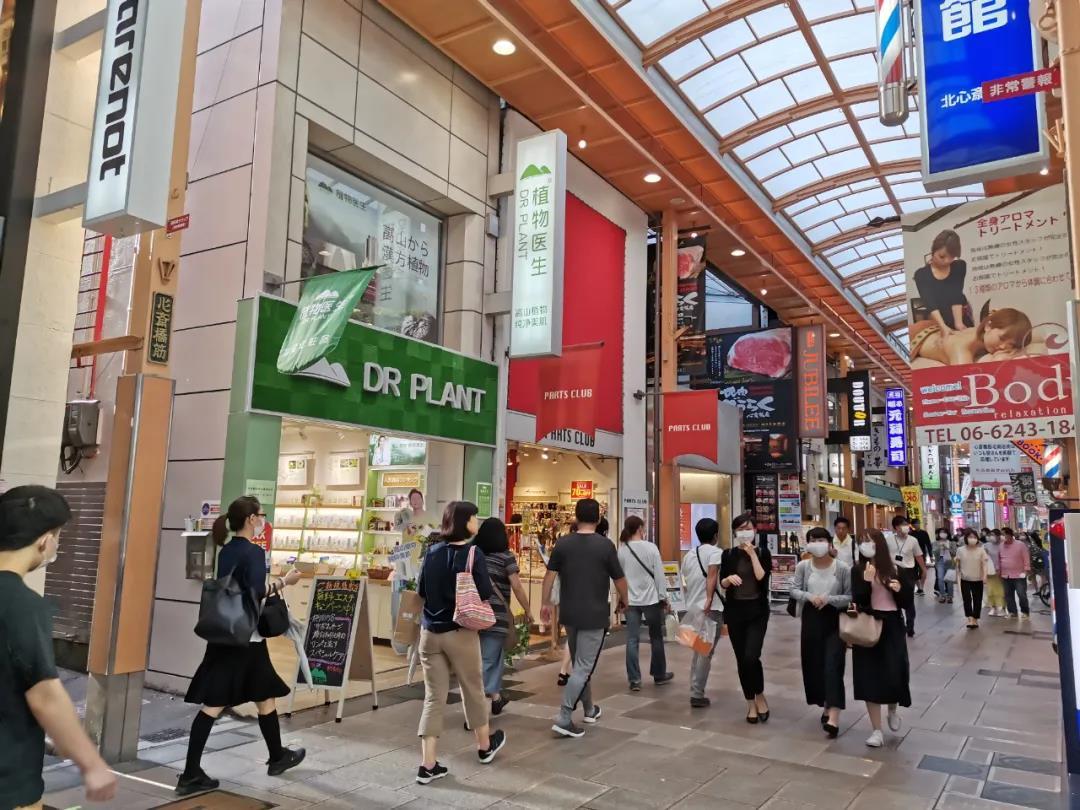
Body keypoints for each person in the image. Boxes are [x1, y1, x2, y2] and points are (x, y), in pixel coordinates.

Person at [178, 496, 305, 795]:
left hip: (226, 634)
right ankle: (191, 773)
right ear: (250, 519)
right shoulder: (253, 552)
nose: (262, 520)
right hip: (246, 640)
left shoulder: (227, 551)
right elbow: (256, 592)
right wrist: (285, 581)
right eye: (261, 515)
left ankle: (277, 756)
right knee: (216, 704)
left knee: (263, 695)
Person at [0, 486, 117, 810]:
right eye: (58, 537)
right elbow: (45, 697)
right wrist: (91, 764)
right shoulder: (21, 606)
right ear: (45, 540)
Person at [416, 502, 506, 784]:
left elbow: (421, 590)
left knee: (434, 697)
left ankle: (427, 764)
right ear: (464, 522)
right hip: (460, 632)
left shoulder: (431, 552)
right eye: (474, 517)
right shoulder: (472, 553)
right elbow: (484, 591)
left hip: (429, 634)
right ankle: (484, 746)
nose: (476, 521)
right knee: (473, 689)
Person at [541, 498, 629, 738]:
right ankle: (564, 716)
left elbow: (550, 575)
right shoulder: (605, 546)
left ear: (576, 517)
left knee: (581, 663)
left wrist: (545, 602)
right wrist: (625, 600)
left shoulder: (563, 543)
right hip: (594, 614)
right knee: (582, 667)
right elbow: (619, 579)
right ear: (598, 519)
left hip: (569, 614)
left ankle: (589, 709)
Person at [851, 529, 912, 748]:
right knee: (869, 676)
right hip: (868, 624)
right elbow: (858, 600)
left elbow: (906, 602)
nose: (865, 545)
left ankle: (892, 709)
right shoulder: (858, 570)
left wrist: (899, 589)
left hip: (892, 624)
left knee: (894, 671)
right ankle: (876, 730)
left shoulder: (895, 569)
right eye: (861, 542)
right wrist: (866, 583)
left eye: (869, 541)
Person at [790, 527, 852, 739]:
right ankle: (826, 703)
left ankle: (834, 717)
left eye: (821, 539)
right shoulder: (803, 566)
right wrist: (809, 596)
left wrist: (830, 599)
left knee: (833, 666)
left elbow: (850, 596)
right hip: (811, 620)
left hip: (835, 621)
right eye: (813, 540)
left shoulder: (842, 568)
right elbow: (794, 589)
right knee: (814, 665)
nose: (817, 543)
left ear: (829, 543)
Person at [475, 517, 533, 716]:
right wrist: (527, 609)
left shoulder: (475, 555)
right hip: (495, 616)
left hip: (474, 614)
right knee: (489, 659)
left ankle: (496, 698)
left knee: (493, 657)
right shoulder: (506, 557)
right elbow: (516, 586)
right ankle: (477, 709)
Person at [720, 514, 772, 723]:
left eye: (747, 528)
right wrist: (727, 579)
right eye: (740, 529)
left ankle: (760, 694)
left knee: (752, 656)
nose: (744, 532)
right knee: (742, 659)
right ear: (734, 533)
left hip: (757, 612)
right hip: (735, 612)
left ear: (755, 530)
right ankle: (750, 702)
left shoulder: (763, 553)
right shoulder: (728, 554)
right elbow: (722, 583)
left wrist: (752, 555)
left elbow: (761, 577)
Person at [617, 515, 673, 691]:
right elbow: (659, 575)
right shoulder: (651, 548)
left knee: (632, 639)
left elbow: (619, 577)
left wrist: (621, 597)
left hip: (630, 600)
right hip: (651, 600)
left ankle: (634, 679)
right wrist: (664, 597)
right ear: (640, 529)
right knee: (656, 637)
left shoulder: (622, 550)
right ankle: (659, 674)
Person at [680, 518, 725, 708]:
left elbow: (686, 578)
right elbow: (712, 576)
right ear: (715, 535)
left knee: (698, 650)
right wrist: (708, 598)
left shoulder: (689, 555)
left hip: (693, 608)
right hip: (711, 608)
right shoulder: (716, 553)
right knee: (705, 651)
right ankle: (697, 693)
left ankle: (694, 688)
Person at [910, 308, 1032, 367]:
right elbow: (964, 384)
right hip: (916, 335)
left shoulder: (982, 334)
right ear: (988, 326)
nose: (1003, 347)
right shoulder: (961, 349)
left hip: (933, 329)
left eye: (1011, 345)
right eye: (1002, 338)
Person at [913, 229, 967, 333]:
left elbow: (956, 295)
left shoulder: (959, 266)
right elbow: (930, 304)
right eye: (942, 256)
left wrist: (959, 324)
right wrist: (943, 326)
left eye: (952, 257)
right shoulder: (921, 275)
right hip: (937, 320)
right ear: (933, 251)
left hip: (960, 315)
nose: (947, 261)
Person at [887, 515, 925, 637]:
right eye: (902, 525)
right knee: (894, 597)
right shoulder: (889, 540)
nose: (906, 527)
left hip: (908, 572)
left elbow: (918, 555)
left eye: (906, 524)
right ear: (896, 527)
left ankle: (910, 626)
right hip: (893, 572)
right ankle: (899, 624)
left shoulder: (913, 540)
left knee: (909, 599)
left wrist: (924, 569)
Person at [956, 529, 991, 629]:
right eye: (970, 537)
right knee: (966, 599)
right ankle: (970, 618)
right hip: (965, 578)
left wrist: (984, 576)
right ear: (966, 538)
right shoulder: (960, 550)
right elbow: (957, 565)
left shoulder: (981, 550)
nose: (972, 539)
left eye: (975, 537)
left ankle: (975, 619)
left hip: (978, 578)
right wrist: (957, 576)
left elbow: (984, 564)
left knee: (977, 599)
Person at [999, 527, 1031, 620]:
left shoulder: (1020, 545)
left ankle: (1025, 611)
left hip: (1019, 575)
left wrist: (1026, 570)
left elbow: (1026, 557)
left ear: (1009, 534)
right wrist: (999, 571)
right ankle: (1012, 612)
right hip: (1005, 575)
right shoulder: (1001, 546)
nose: (1002, 536)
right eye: (1001, 534)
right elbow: (999, 559)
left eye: (1004, 534)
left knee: (1021, 594)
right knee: (1008, 595)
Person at [984, 529, 1006, 617]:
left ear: (998, 536)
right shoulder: (986, 545)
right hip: (989, 571)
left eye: (993, 535)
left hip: (1000, 571)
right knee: (990, 591)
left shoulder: (1003, 545)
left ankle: (1001, 608)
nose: (991, 537)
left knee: (1000, 591)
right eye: (990, 535)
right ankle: (992, 607)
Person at [933, 527, 956, 604]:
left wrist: (948, 549)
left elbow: (954, 553)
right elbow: (934, 553)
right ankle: (942, 595)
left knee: (949, 580)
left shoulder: (952, 543)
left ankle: (950, 596)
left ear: (947, 534)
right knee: (940, 578)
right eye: (941, 532)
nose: (943, 534)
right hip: (940, 561)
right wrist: (940, 548)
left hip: (950, 562)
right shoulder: (935, 543)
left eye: (944, 532)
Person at [910, 519, 933, 594]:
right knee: (913, 572)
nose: (916, 525)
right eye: (915, 524)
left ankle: (922, 587)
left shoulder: (924, 533)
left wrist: (931, 555)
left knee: (923, 571)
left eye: (917, 523)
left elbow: (928, 544)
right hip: (912, 555)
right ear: (912, 525)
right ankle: (919, 587)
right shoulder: (910, 534)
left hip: (922, 554)